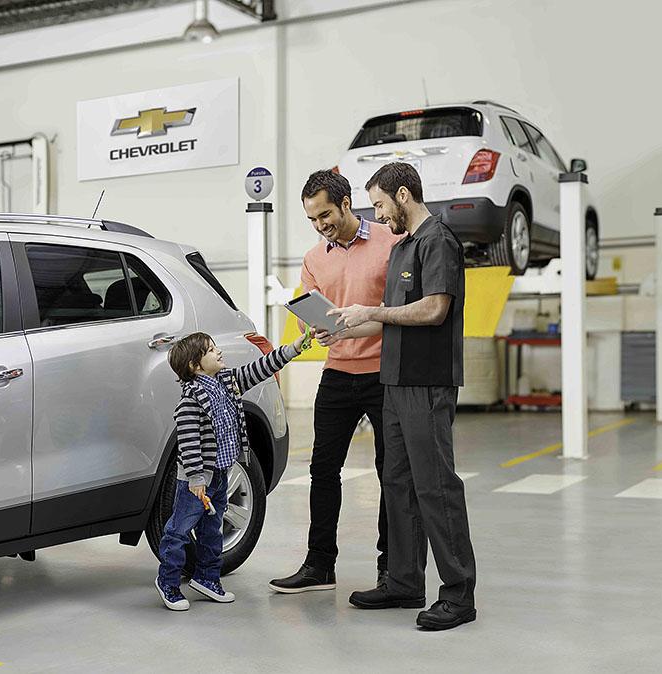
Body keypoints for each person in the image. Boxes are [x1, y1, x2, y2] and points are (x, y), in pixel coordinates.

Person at [329, 161, 478, 631]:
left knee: (435, 486)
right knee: (397, 483)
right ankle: (404, 579)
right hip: (393, 381)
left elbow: (434, 310)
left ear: (403, 195)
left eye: (378, 204)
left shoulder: (439, 242)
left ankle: (458, 594)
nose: (377, 214)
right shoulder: (402, 249)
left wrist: (372, 309)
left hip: (426, 383)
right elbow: (391, 316)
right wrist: (346, 324)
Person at [269, 170, 401, 595]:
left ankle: (391, 568)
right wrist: (318, 330)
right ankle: (320, 565)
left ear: (346, 203)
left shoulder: (390, 242)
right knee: (323, 471)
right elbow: (314, 311)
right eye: (312, 219)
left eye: (325, 214)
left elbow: (399, 311)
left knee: (390, 473)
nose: (320, 224)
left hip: (385, 374)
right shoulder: (313, 259)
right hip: (338, 372)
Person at [156, 329, 312, 611]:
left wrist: (295, 348)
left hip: (220, 473)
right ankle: (167, 581)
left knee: (212, 529)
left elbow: (262, 367)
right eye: (211, 350)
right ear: (195, 365)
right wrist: (195, 478)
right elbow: (189, 442)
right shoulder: (190, 401)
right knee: (179, 530)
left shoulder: (228, 382)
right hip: (197, 481)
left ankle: (207, 578)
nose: (219, 352)